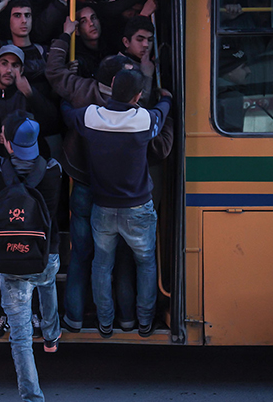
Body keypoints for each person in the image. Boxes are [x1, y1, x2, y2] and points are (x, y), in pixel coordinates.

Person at [46, 18, 174, 333]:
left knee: (98, 266)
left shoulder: (90, 115)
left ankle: (103, 323)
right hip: (137, 207)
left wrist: (63, 104)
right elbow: (161, 118)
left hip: (100, 203)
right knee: (143, 264)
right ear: (135, 97)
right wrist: (168, 98)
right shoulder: (143, 119)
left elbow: (68, 114)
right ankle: (142, 323)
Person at [0, 111, 62, 402]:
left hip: (11, 259)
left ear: (8, 144)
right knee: (47, 285)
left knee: (21, 337)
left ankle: (32, 397)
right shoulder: (53, 170)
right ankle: (51, 337)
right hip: (45, 253)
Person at [0, 44, 58, 157]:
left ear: (21, 70)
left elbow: (52, 122)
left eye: (15, 65)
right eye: (4, 63)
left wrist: (30, 94)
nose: (9, 70)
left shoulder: (29, 95)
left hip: (27, 162)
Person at [217, 41, 251, 132]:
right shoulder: (231, 97)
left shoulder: (217, 92)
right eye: (243, 67)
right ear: (229, 71)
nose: (249, 71)